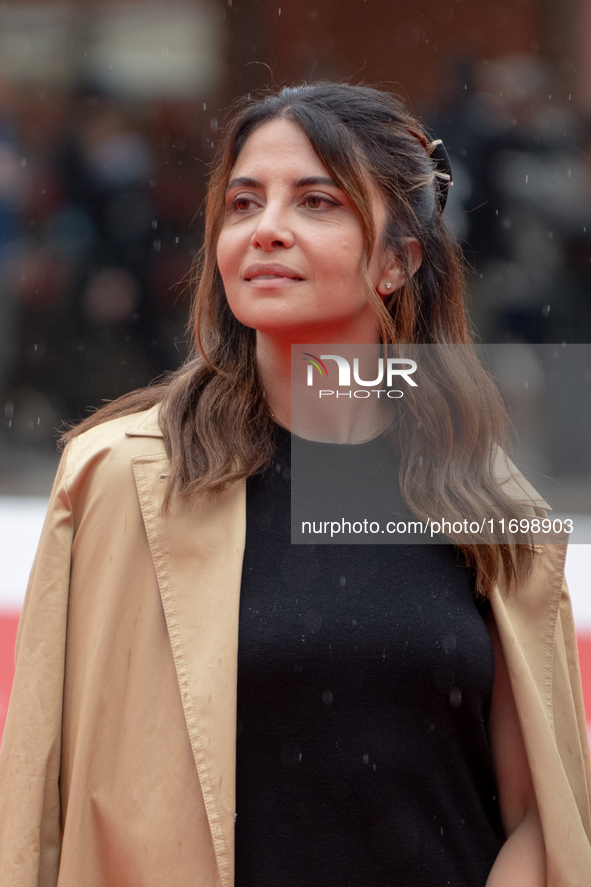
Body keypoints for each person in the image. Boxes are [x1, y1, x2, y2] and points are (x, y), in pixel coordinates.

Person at [0, 83, 590, 887]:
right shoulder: (114, 480)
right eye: (243, 203)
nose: (265, 229)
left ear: (396, 261)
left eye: (315, 201)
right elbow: (35, 804)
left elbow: (543, 817)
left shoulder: (496, 509)